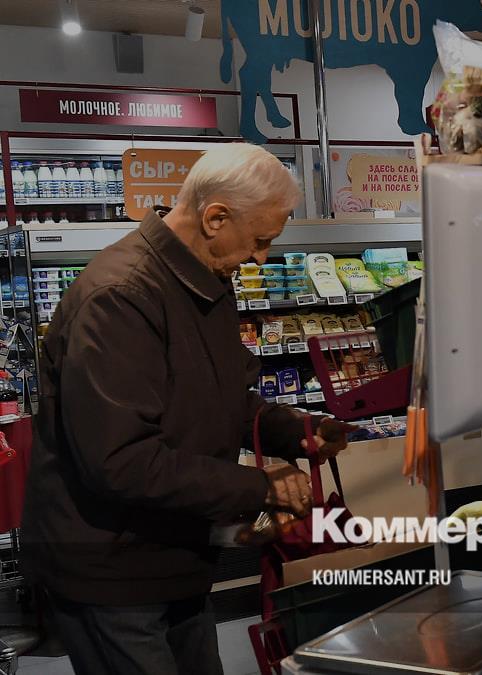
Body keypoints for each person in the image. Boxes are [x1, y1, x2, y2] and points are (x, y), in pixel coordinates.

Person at [21, 144, 353, 675]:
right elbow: (121, 461)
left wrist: (292, 430)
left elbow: (217, 396)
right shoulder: (120, 297)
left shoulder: (205, 279)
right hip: (112, 570)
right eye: (260, 240)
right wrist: (259, 487)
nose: (261, 258)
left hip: (174, 552)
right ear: (215, 218)